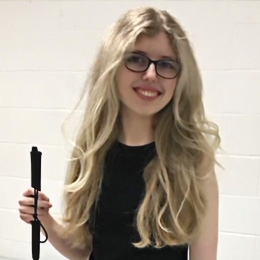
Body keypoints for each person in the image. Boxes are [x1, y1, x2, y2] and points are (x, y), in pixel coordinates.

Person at [18, 6, 220, 260]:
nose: (150, 74)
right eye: (136, 59)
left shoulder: (193, 158)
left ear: (181, 78)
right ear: (112, 65)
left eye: (166, 65)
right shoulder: (92, 150)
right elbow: (88, 252)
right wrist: (44, 219)